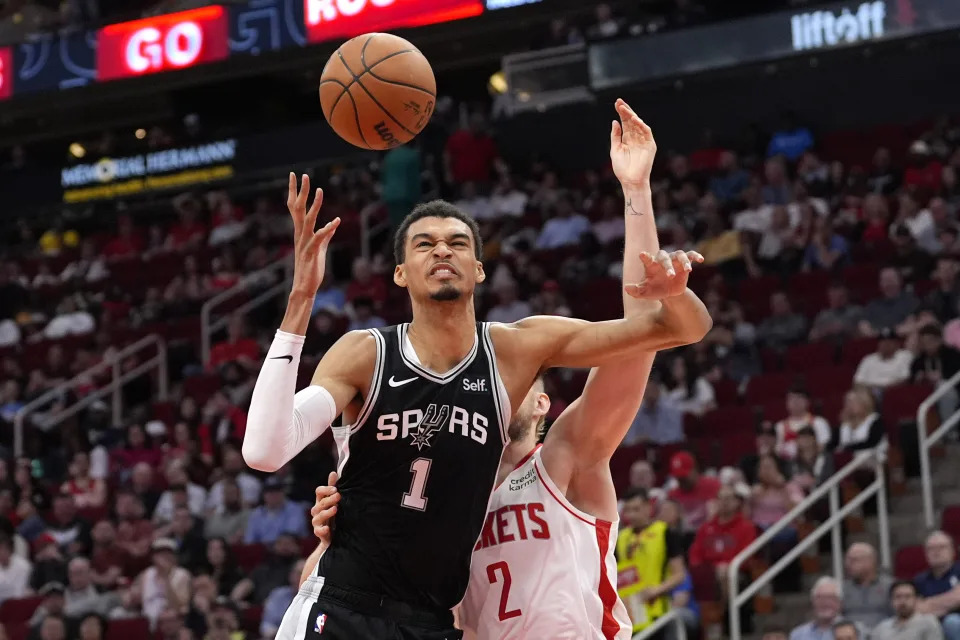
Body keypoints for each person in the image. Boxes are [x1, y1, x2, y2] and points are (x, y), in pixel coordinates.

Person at [284, 100, 711, 639]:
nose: (498, 386)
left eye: (523, 380)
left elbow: (642, 328)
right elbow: (328, 593)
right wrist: (335, 535)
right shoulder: (443, 501)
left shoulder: (569, 455)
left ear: (542, 402)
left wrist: (636, 193)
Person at [616, 489, 686, 634]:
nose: (631, 515)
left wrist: (656, 589)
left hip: (658, 612)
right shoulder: (621, 538)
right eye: (628, 510)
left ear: (649, 507)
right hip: (631, 614)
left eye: (636, 509)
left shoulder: (665, 532)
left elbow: (679, 574)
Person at [871, 581, 943, 640]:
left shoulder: (928, 622)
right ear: (891, 601)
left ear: (917, 599)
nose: (903, 601)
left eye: (907, 596)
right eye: (898, 597)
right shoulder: (882, 628)